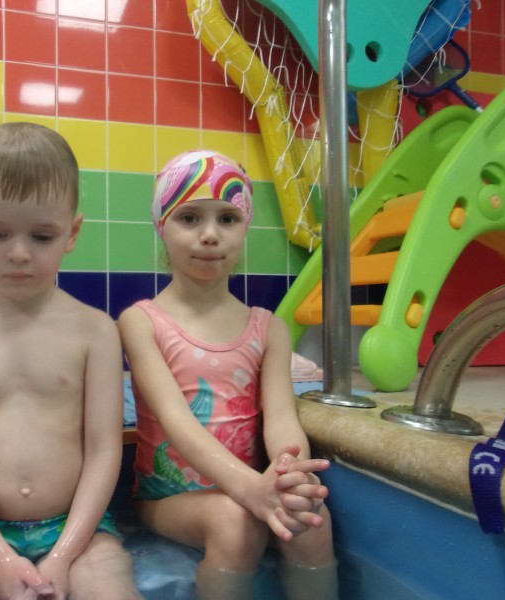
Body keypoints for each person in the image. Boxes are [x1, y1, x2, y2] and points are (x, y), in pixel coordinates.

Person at [0, 122, 140, 600]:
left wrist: (64, 553)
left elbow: (104, 451)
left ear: (72, 232)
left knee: (109, 588)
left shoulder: (96, 331)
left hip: (78, 530)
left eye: (42, 236)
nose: (19, 254)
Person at [118, 150, 339, 600]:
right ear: (162, 226)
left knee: (311, 516)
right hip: (168, 499)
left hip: (254, 486)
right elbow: (177, 422)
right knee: (234, 521)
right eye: (189, 218)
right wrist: (251, 489)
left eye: (227, 219)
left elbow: (281, 418)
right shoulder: (141, 322)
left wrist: (290, 475)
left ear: (245, 227)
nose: (210, 234)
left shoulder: (269, 328)